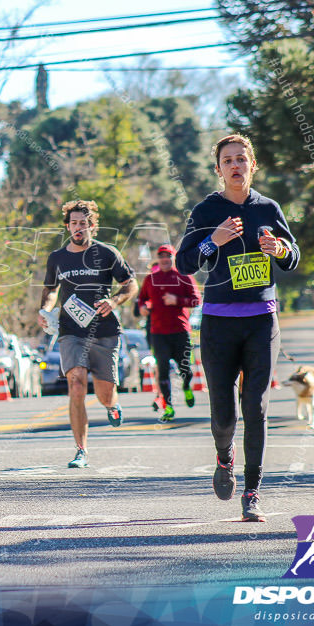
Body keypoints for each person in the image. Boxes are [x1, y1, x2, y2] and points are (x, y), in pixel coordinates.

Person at [177, 134, 299, 522]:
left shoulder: (268, 208)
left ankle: (253, 492)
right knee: (224, 415)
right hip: (218, 322)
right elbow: (184, 264)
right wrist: (213, 241)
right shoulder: (206, 210)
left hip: (262, 320)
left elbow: (291, 257)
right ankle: (224, 454)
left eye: (241, 159)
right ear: (218, 169)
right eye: (227, 160)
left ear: (252, 165)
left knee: (256, 408)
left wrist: (279, 249)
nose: (235, 165)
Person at [38, 200, 138, 469]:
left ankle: (112, 406)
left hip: (105, 331)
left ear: (92, 225)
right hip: (71, 331)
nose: (78, 227)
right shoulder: (57, 258)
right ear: (67, 226)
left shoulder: (107, 253)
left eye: (83, 223)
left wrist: (114, 301)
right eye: (74, 223)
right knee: (77, 383)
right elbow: (50, 290)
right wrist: (46, 310)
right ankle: (81, 450)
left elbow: (130, 284)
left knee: (105, 394)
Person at [137, 244, 201, 422]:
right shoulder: (151, 279)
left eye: (168, 256)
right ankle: (169, 407)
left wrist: (177, 300)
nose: (165, 259)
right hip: (158, 333)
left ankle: (187, 387)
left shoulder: (183, 276)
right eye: (161, 256)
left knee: (185, 370)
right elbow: (142, 299)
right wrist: (143, 307)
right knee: (163, 371)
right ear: (158, 259)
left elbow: (197, 300)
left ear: (173, 258)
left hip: (180, 331)